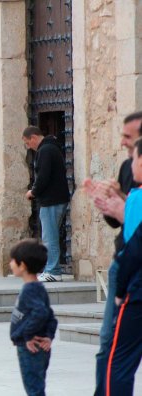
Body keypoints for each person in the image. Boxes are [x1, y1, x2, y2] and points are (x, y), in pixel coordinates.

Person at [82, 111, 142, 395]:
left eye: (128, 137)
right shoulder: (126, 169)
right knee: (109, 344)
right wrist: (109, 204)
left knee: (118, 354)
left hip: (133, 272)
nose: (122, 143)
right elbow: (122, 221)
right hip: (127, 263)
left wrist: (121, 202)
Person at [98, 137, 142, 396]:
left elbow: (134, 249)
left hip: (137, 295)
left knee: (118, 362)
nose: (130, 165)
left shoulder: (137, 197)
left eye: (134, 158)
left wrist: (118, 292)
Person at [9, 238, 58, 396]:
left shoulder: (30, 290)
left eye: (12, 260)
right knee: (37, 386)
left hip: (30, 347)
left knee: (34, 389)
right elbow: (51, 317)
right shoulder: (38, 288)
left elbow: (41, 313)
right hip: (39, 346)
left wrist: (28, 335)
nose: (10, 263)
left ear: (22, 265)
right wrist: (49, 336)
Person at [22, 126, 70, 282]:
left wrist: (33, 192)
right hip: (55, 199)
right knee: (50, 235)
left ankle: (53, 270)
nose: (29, 147)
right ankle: (51, 268)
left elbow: (43, 176)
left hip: (51, 200)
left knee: (50, 236)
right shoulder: (50, 148)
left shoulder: (45, 151)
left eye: (28, 143)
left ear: (34, 137)